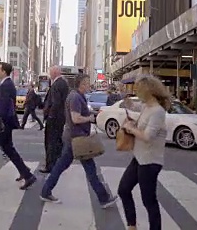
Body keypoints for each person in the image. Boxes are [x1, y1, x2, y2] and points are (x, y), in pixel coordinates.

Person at [40, 73, 117, 207]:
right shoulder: (75, 97)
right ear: (81, 84)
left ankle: (46, 191)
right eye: (87, 82)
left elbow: (79, 115)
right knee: (90, 169)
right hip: (77, 139)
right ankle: (104, 198)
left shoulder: (77, 96)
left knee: (61, 166)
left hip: (74, 138)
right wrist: (90, 119)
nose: (89, 85)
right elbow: (76, 118)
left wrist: (93, 114)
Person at [117, 76, 169, 230]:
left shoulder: (158, 111)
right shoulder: (146, 106)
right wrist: (122, 93)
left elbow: (147, 136)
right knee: (124, 189)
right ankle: (132, 225)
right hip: (139, 157)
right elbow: (131, 105)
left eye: (139, 89)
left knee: (149, 200)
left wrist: (131, 128)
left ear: (148, 91)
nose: (136, 92)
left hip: (150, 161)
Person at [0, 62, 37, 191]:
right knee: (8, 149)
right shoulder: (5, 84)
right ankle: (27, 174)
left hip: (2, 124)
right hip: (5, 123)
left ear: (4, 72)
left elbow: (4, 106)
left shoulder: (6, 85)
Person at [41, 65, 69, 173]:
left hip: (54, 119)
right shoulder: (63, 83)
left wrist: (51, 116)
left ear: (55, 73)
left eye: (50, 72)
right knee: (57, 142)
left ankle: (50, 165)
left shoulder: (57, 84)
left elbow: (56, 102)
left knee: (50, 142)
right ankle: (57, 164)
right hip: (60, 118)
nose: (49, 74)